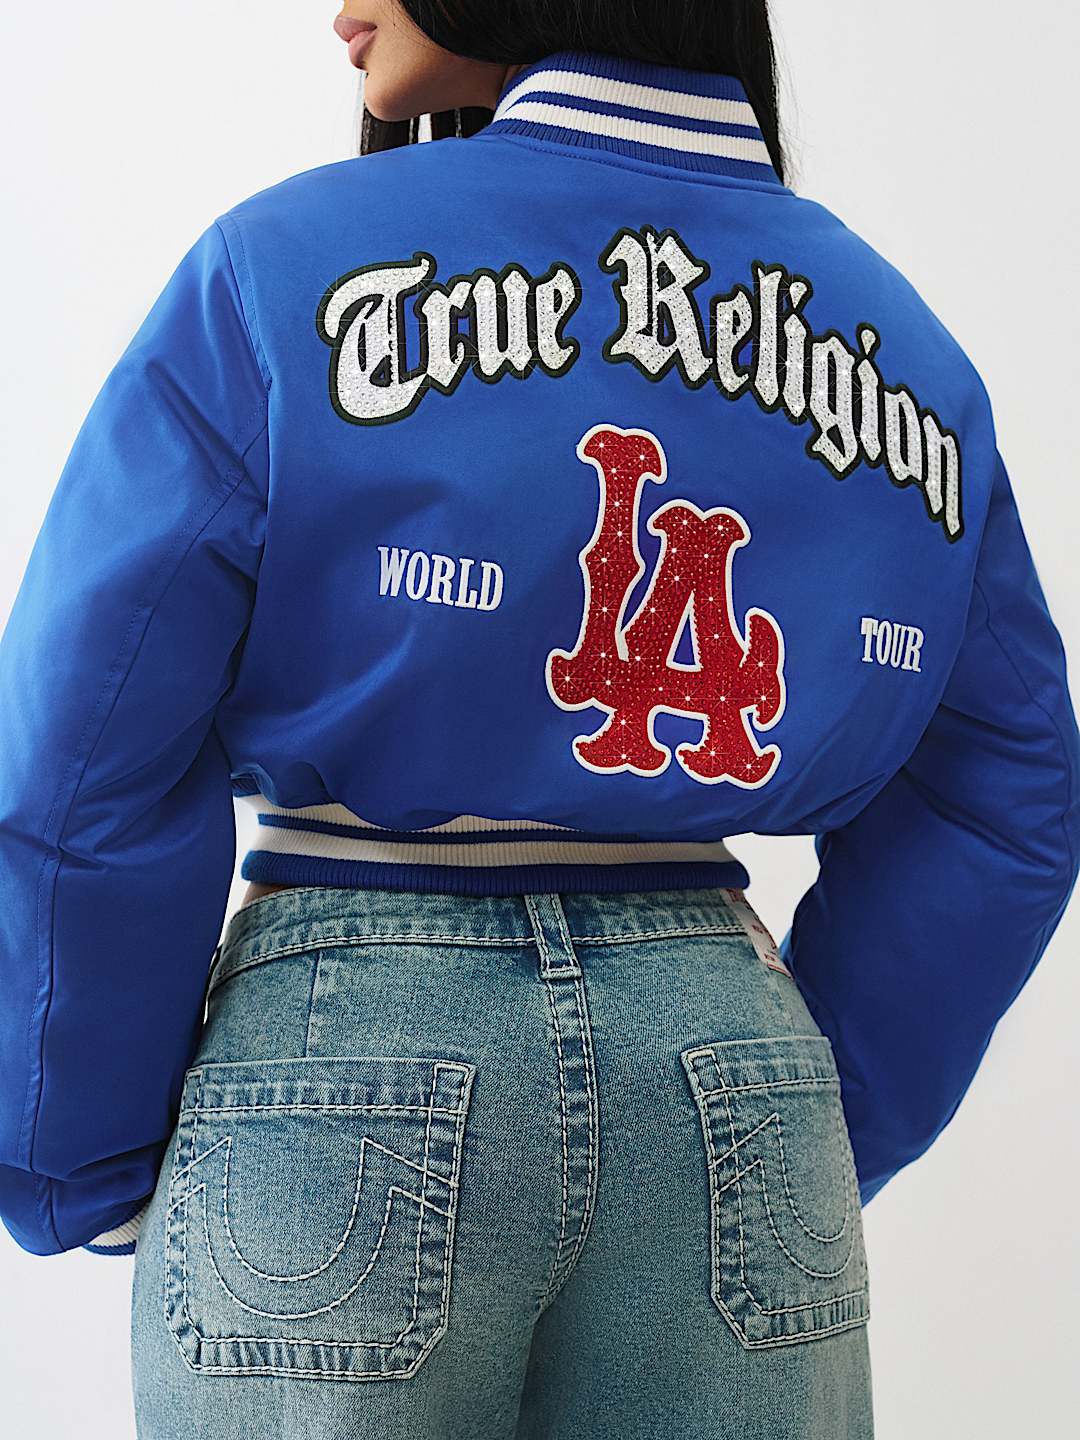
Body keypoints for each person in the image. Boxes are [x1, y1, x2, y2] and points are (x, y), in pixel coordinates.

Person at [1, 2, 1077, 1436]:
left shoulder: (282, 268)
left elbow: (81, 743)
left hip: (343, 1047)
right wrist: (815, 1108)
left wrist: (75, 1150)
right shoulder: (908, 345)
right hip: (728, 1055)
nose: (340, 4)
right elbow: (1009, 786)